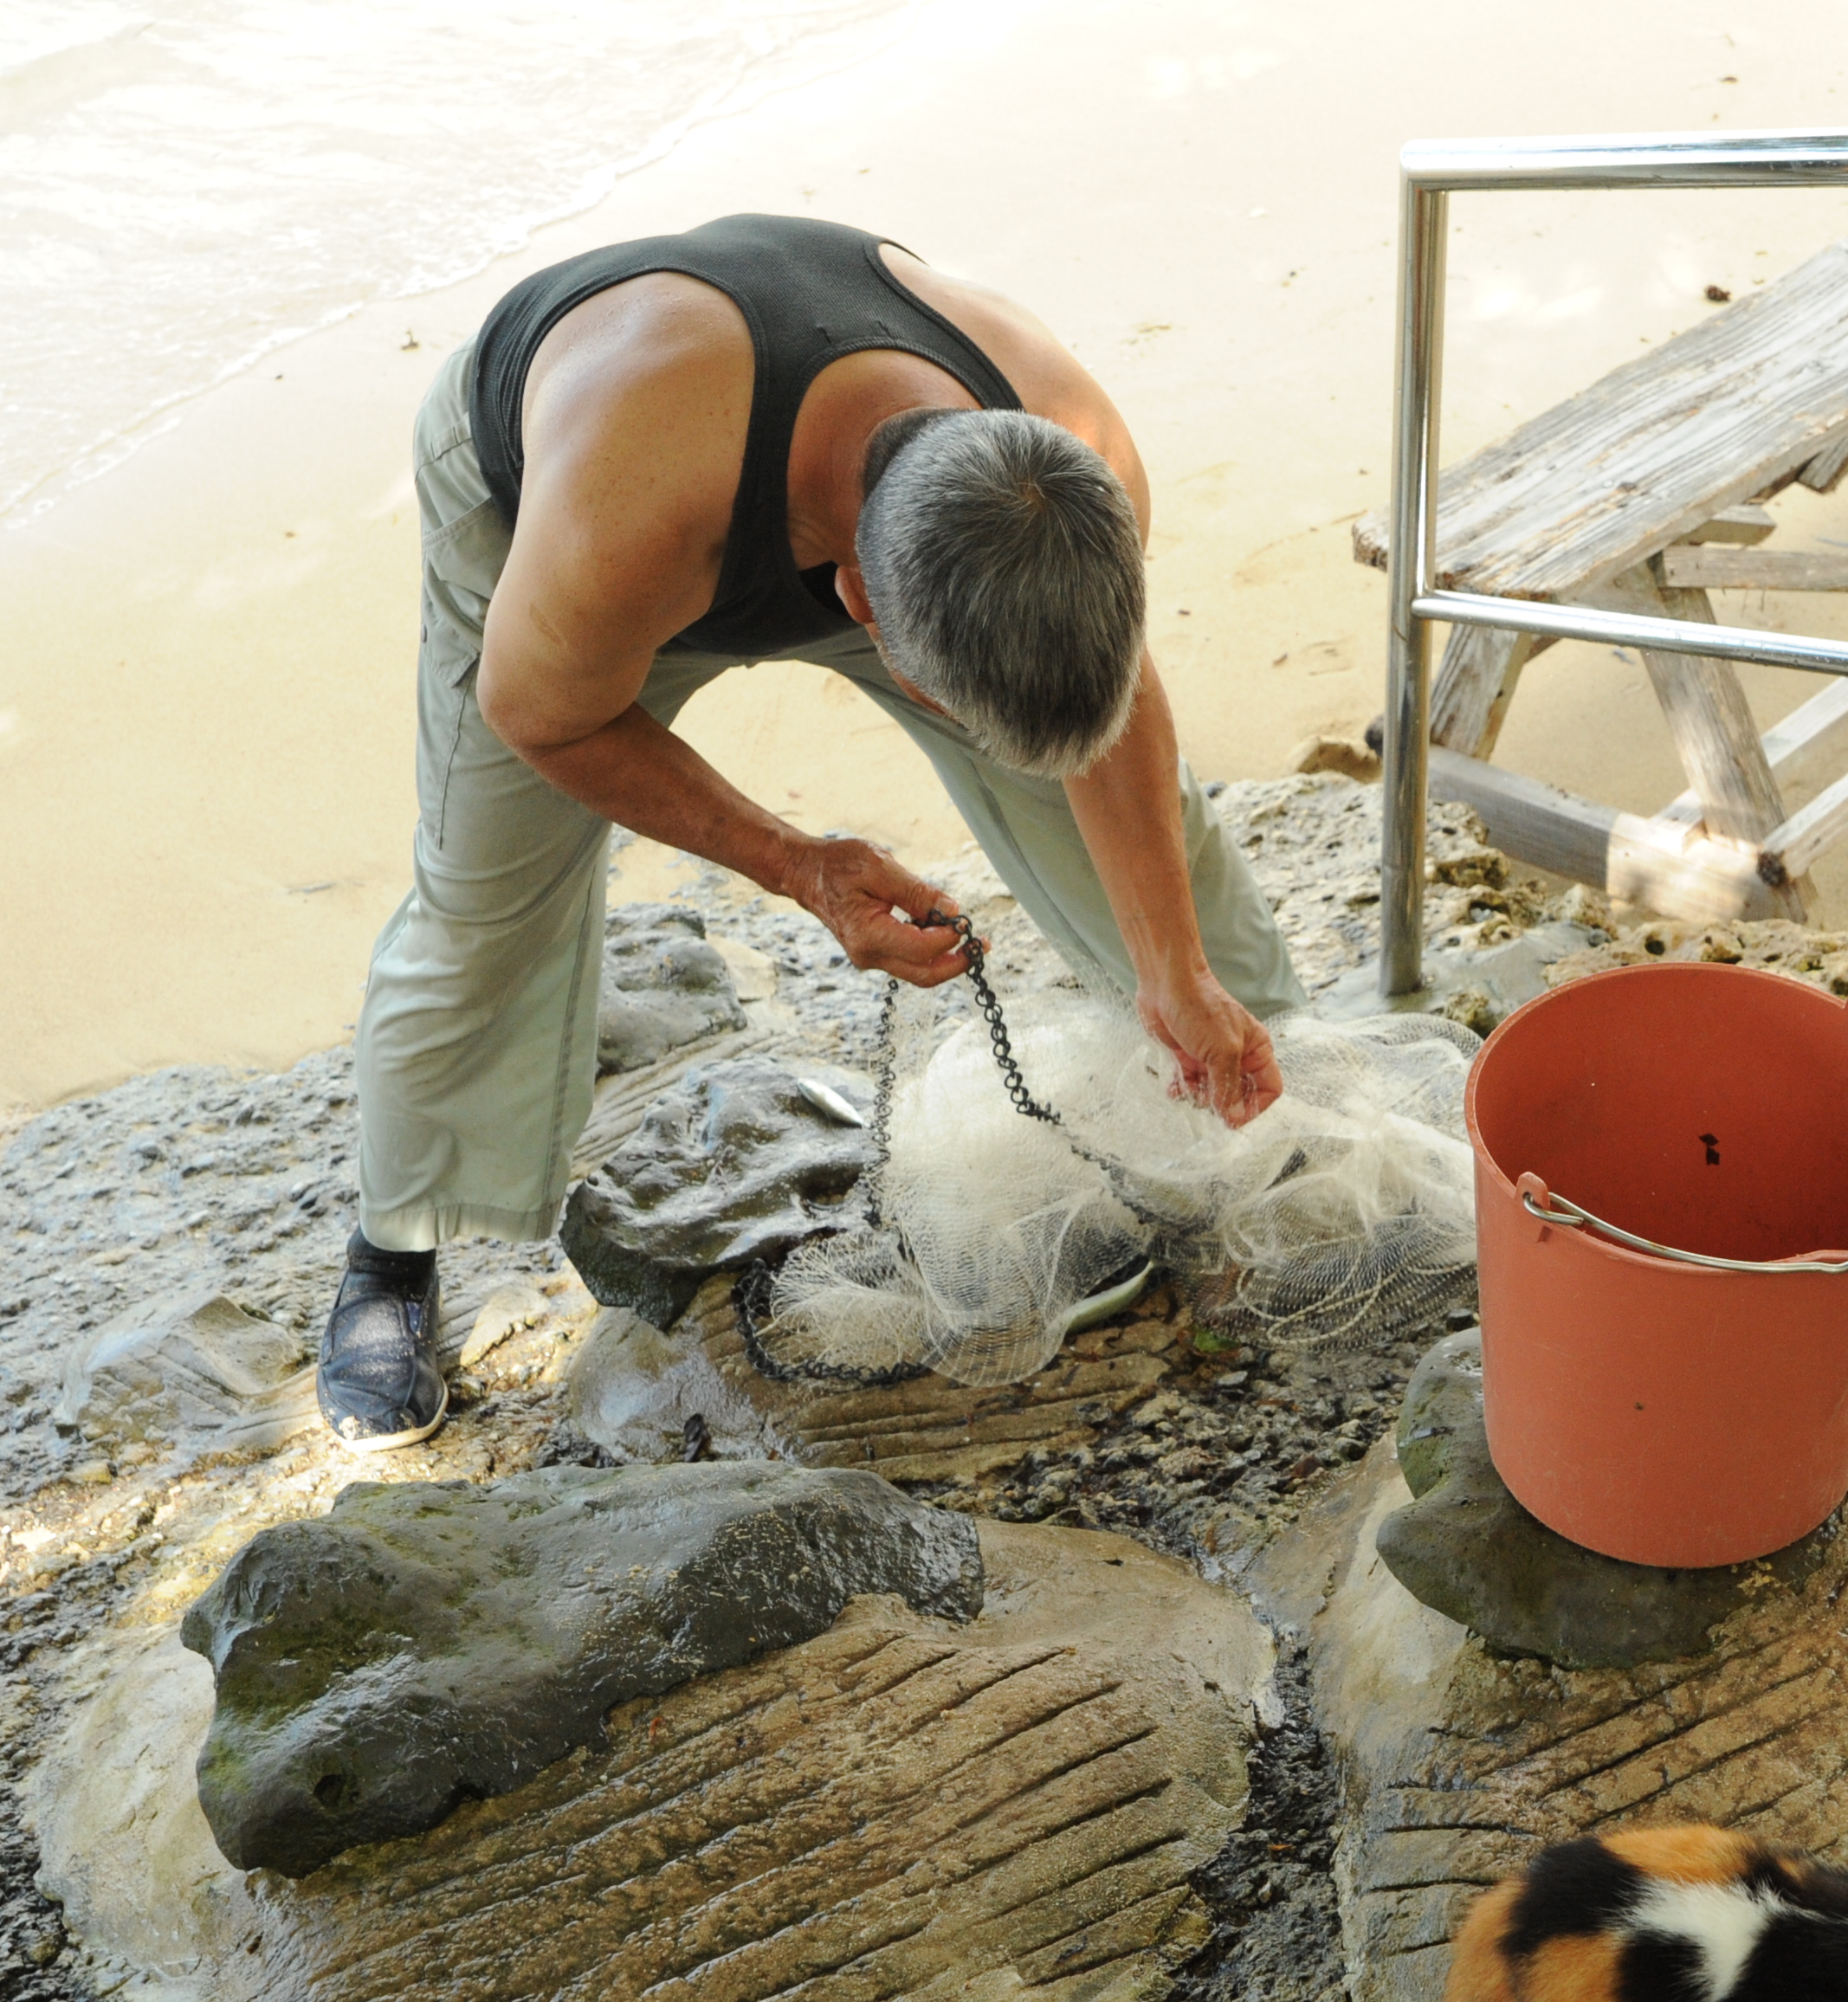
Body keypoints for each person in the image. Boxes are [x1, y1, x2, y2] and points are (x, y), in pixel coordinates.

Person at [321, 213, 1305, 1452]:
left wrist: (1177, 966)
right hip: (567, 505)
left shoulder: (1070, 459)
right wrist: (803, 868)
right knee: (483, 901)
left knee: (1155, 842)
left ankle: (1279, 1078)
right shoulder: (626, 516)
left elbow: (1109, 703)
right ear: (856, 611)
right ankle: (397, 1242)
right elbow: (545, 716)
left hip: (883, 512)